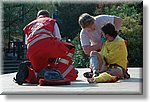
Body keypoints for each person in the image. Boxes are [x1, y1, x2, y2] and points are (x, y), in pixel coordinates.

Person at [14, 10, 78, 85]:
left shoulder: (30, 25)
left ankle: (28, 74)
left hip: (32, 51)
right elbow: (58, 38)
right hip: (47, 45)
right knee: (70, 48)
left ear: (37, 17)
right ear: (48, 16)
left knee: (38, 72)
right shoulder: (51, 21)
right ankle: (57, 73)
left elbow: (27, 43)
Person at [78, 13, 123, 77]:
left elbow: (119, 20)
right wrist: (100, 45)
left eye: (92, 24)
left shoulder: (100, 19)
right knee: (93, 54)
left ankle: (104, 73)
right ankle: (96, 72)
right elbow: (86, 50)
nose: (92, 27)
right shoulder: (83, 33)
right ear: (84, 28)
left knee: (118, 69)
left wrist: (112, 34)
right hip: (101, 52)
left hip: (112, 46)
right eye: (89, 27)